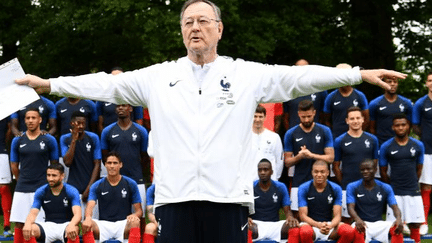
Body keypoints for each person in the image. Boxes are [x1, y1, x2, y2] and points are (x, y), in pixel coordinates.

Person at [15, 0, 407, 241]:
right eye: (188, 22)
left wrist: (356, 74)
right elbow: (104, 85)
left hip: (228, 202)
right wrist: (49, 83)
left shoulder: (245, 74)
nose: (195, 28)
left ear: (219, 29)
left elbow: (298, 77)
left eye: (203, 21)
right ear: (182, 32)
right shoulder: (157, 76)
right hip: (174, 202)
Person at [10, 108, 59, 243]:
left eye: (33, 118)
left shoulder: (49, 140)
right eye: (28, 118)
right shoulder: (17, 140)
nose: (30, 121)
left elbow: (55, 166)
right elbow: (14, 165)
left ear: (40, 120)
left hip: (42, 187)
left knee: (39, 225)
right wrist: (22, 180)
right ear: (24, 120)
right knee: (20, 223)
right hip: (22, 187)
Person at [100, 104, 149, 236]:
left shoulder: (141, 131)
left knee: (140, 216)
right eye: (118, 106)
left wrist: (141, 175)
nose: (120, 108)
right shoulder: (107, 131)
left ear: (131, 109)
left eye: (124, 106)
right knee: (116, 214)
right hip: (115, 180)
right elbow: (105, 156)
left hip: (136, 178)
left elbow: (145, 157)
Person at [379, 113, 425, 243]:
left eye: (403, 125)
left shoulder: (418, 145)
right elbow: (383, 172)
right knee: (395, 225)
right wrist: (392, 187)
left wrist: (412, 183)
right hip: (395, 193)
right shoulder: (386, 146)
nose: (400, 128)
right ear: (393, 127)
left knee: (415, 224)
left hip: (413, 192)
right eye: (397, 125)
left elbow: (419, 168)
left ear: (409, 126)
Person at [284, 100, 334, 215]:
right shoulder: (291, 133)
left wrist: (311, 155)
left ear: (314, 113)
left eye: (309, 116)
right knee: (297, 217)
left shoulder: (324, 131)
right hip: (299, 181)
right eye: (303, 117)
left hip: (321, 182)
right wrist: (299, 156)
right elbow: (287, 162)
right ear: (298, 114)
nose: (306, 120)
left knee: (322, 215)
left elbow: (330, 158)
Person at [81, 152, 142, 243]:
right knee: (85, 224)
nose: (112, 166)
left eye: (115, 163)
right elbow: (90, 206)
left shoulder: (130, 183)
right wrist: (88, 218)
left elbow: (139, 211)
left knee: (135, 222)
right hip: (103, 225)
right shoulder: (97, 185)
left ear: (120, 165)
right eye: (109, 163)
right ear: (105, 165)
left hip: (123, 224)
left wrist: (134, 215)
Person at [333, 106, 379, 222]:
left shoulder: (372, 139)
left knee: (367, 222)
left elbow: (374, 163)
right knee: (346, 223)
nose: (355, 121)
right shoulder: (340, 140)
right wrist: (344, 182)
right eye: (352, 119)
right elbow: (336, 166)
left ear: (363, 119)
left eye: (358, 118)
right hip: (347, 188)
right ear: (347, 121)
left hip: (367, 188)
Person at [346, 159, 404, 243]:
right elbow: (350, 208)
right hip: (362, 223)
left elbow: (395, 207)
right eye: (362, 170)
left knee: (397, 228)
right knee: (357, 229)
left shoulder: (385, 187)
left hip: (379, 224)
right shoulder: (352, 186)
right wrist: (357, 219)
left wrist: (399, 219)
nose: (365, 172)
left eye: (368, 169)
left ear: (375, 170)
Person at [297, 160, 355, 242]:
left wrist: (329, 226)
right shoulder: (304, 188)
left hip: (329, 225)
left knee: (348, 231)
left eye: (322, 172)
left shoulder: (335, 188)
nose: (319, 175)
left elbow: (338, 215)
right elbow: (303, 216)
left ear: (328, 172)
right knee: (305, 232)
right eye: (316, 172)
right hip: (311, 226)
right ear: (312, 172)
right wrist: (318, 225)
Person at [22, 163, 81, 243]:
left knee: (74, 229)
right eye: (48, 175)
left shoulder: (71, 191)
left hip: (66, 225)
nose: (50, 179)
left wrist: (71, 225)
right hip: (48, 226)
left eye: (54, 175)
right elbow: (33, 213)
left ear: (62, 176)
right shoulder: (41, 191)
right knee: (30, 229)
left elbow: (78, 214)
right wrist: (27, 224)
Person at [60, 111, 101, 218]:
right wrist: (74, 140)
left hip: (90, 186)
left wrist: (90, 188)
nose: (81, 126)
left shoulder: (93, 138)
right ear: (72, 124)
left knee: (91, 222)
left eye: (83, 123)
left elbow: (97, 164)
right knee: (72, 222)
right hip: (73, 186)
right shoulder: (65, 139)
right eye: (78, 123)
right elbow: (67, 162)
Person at [248, 159, 299, 242]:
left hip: (275, 226)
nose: (262, 172)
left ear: (271, 172)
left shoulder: (280, 187)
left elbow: (287, 211)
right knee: (245, 227)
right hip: (256, 225)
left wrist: (290, 217)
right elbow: (244, 210)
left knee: (294, 226)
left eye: (266, 169)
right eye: (260, 170)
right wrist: (246, 218)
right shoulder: (251, 187)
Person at [323, 64, 370, 139]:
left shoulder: (360, 96)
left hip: (356, 138)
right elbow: (326, 120)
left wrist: (357, 133)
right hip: (337, 138)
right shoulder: (330, 97)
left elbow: (366, 119)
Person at [96, 67, 144, 135]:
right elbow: (100, 123)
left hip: (130, 135)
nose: (116, 79)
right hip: (110, 136)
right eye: (113, 77)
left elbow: (139, 120)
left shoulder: (132, 95)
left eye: (118, 77)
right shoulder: (103, 96)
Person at [412, 71, 432, 235]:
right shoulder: (420, 103)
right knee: (426, 186)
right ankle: (423, 221)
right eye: (430, 80)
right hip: (427, 151)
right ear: (426, 83)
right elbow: (415, 126)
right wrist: (425, 137)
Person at [369, 77, 413, 145]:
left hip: (401, 144)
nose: (392, 84)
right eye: (389, 82)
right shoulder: (375, 104)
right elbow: (372, 128)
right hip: (382, 143)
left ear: (397, 84)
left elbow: (409, 125)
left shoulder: (406, 103)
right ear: (383, 84)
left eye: (395, 82)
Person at [252, 105, 284, 181]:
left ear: (265, 117)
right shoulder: (245, 137)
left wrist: (275, 178)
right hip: (250, 182)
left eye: (260, 117)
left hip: (270, 182)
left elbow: (279, 161)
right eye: (255, 116)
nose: (257, 119)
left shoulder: (274, 137)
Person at [0, 117, 12, 237]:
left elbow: (9, 130)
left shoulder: (4, 107)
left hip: (1, 150)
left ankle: (7, 225)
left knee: (3, 188)